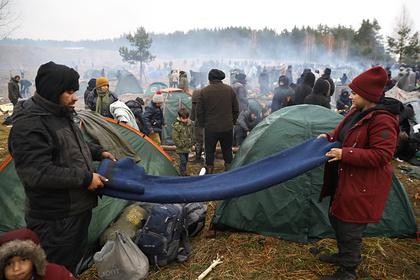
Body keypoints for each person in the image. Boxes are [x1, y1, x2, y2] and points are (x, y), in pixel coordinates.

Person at [8, 61, 115, 273]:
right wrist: (86, 178)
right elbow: (37, 173)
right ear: (52, 90)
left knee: (69, 266)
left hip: (75, 210)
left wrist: (96, 152)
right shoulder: (29, 125)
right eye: (68, 91)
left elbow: (72, 144)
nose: (75, 97)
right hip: (56, 218)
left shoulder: (58, 113)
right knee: (55, 269)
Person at [318, 66, 402, 280]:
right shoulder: (357, 112)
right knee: (337, 218)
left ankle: (348, 271)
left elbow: (382, 155)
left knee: (350, 226)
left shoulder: (382, 119)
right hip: (345, 177)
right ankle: (343, 255)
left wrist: (346, 154)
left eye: (355, 93)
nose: (351, 96)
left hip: (363, 183)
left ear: (366, 95)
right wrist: (327, 137)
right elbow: (341, 134)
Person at [197, 69, 239, 173]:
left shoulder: (204, 92)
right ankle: (229, 173)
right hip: (227, 127)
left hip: (210, 128)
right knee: (227, 151)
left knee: (209, 152)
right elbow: (236, 109)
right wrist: (232, 122)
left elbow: (199, 112)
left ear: (210, 79)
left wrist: (203, 124)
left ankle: (209, 172)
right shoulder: (230, 90)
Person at [0, 228, 76, 280]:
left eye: (23, 260)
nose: (16, 268)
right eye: (9, 264)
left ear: (34, 260)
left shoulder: (56, 274)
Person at [172, 108, 193, 176]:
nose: (185, 120)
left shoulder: (189, 124)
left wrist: (192, 142)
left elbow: (191, 134)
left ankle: (184, 172)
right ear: (180, 117)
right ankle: (182, 174)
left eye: (186, 118)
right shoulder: (177, 126)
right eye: (183, 118)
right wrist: (180, 144)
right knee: (183, 161)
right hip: (181, 148)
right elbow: (175, 137)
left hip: (187, 147)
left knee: (186, 160)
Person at [190, 89, 204, 163]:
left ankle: (198, 156)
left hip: (198, 124)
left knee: (199, 141)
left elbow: (192, 115)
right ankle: (201, 157)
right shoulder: (205, 102)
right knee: (202, 141)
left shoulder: (194, 103)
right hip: (204, 124)